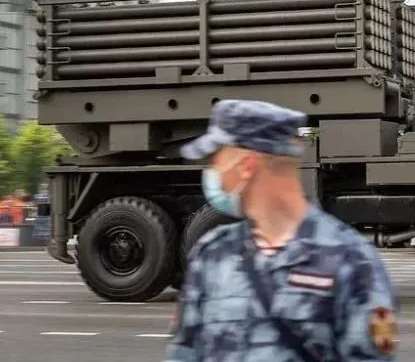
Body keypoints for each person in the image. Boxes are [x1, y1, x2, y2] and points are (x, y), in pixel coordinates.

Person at [164, 99, 399, 362]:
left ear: (246, 166)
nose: (212, 171)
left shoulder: (350, 262)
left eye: (216, 159)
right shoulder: (212, 254)